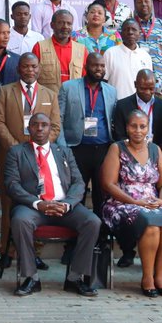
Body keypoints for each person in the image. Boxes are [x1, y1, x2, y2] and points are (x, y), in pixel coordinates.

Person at [4, 112, 100, 297]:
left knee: (92, 221)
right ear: (28, 128)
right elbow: (11, 185)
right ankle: (31, 278)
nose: (39, 129)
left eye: (44, 125)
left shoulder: (64, 151)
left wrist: (67, 204)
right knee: (20, 221)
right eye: (35, 125)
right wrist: (37, 203)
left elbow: (79, 183)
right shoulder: (16, 152)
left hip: (63, 206)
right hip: (33, 207)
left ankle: (74, 278)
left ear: (51, 128)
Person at [100, 110, 162, 297]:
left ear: (148, 128)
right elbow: (108, 184)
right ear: (127, 128)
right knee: (150, 226)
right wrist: (136, 201)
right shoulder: (117, 148)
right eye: (133, 126)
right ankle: (147, 278)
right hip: (121, 202)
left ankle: (160, 277)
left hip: (152, 202)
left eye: (142, 126)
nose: (138, 130)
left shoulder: (155, 149)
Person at [0, 53, 62, 258]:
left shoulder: (50, 95)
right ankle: (6, 250)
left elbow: (55, 126)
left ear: (39, 69)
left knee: (37, 202)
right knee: (8, 203)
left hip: (40, 159)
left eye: (33, 67)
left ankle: (33, 254)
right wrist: (16, 148)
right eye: (25, 67)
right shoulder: (5, 91)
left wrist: (38, 147)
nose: (30, 70)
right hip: (10, 156)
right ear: (18, 69)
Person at [58, 51, 117, 211]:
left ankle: (100, 233)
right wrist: (63, 147)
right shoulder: (68, 87)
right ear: (86, 67)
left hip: (103, 149)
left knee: (101, 193)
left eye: (102, 66)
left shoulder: (111, 91)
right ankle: (75, 233)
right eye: (95, 65)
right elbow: (59, 119)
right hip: (77, 148)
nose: (99, 69)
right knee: (77, 193)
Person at [112, 70, 162, 153]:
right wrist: (132, 154)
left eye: (151, 89)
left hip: (157, 156)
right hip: (129, 156)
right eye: (143, 88)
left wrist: (156, 154)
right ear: (135, 84)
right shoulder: (122, 105)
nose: (147, 92)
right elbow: (119, 134)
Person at [33, 10, 89, 94]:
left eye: (69, 23)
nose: (65, 26)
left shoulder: (82, 50)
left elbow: (86, 80)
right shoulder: (39, 47)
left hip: (73, 101)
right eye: (61, 23)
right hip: (47, 100)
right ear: (52, 25)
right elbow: (32, 78)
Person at [132, 0, 162, 100]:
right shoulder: (128, 26)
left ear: (151, 3)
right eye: (140, 2)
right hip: (135, 81)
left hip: (160, 80)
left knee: (159, 114)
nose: (144, 4)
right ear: (134, 4)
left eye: (146, 1)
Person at [103, 19, 152, 97]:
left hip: (139, 105)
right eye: (126, 29)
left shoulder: (146, 56)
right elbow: (103, 82)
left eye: (134, 29)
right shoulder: (110, 53)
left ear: (139, 34)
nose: (130, 32)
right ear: (121, 33)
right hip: (115, 104)